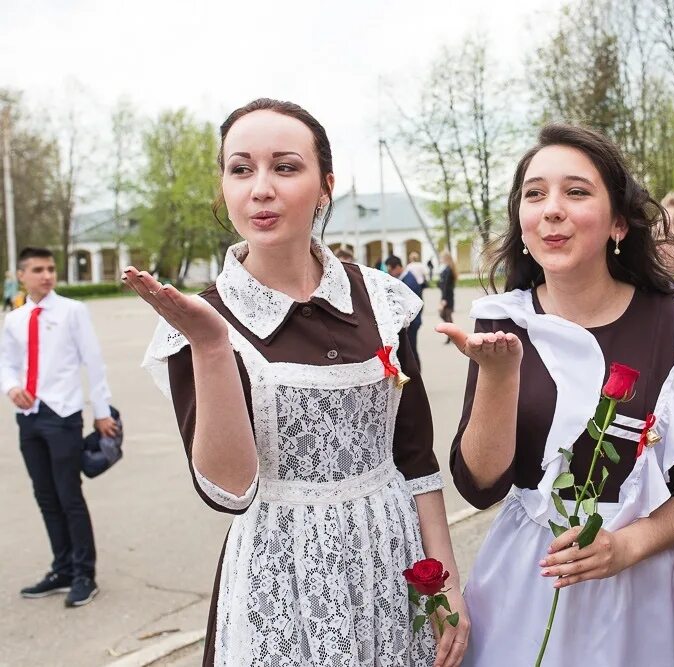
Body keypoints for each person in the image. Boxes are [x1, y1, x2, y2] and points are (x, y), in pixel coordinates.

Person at [127, 98, 468, 667]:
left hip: (391, 557)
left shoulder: (382, 301)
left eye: (285, 167)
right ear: (224, 188)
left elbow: (415, 457)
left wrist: (444, 583)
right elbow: (228, 490)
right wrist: (212, 347)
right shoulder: (197, 320)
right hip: (276, 576)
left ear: (325, 185)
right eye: (241, 169)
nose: (261, 188)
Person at [439, 124, 674, 665]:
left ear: (618, 223)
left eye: (576, 192)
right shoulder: (500, 319)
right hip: (529, 587)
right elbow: (479, 486)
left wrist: (628, 545)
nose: (551, 209)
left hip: (644, 589)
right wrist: (498, 376)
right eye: (534, 194)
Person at [1, 246, 117, 607]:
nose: (47, 275)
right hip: (29, 416)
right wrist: (10, 387)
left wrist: (101, 412)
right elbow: (7, 362)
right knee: (46, 496)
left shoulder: (73, 311)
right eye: (38, 269)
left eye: (50, 268)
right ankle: (62, 569)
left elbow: (93, 363)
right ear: (21, 276)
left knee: (69, 496)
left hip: (63, 414)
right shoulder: (15, 319)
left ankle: (85, 574)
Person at [387, 255, 425, 369]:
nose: (390, 273)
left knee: (411, 350)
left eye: (390, 270)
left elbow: (412, 305)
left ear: (398, 267)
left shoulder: (409, 281)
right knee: (411, 349)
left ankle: (416, 374)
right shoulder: (405, 278)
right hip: (411, 321)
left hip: (412, 322)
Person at [437, 251, 457, 344]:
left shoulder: (449, 269)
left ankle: (453, 335)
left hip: (447, 296)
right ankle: (452, 334)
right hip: (446, 295)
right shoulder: (447, 268)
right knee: (444, 315)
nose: (441, 259)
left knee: (446, 315)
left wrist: (444, 299)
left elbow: (445, 285)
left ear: (446, 258)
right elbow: (443, 283)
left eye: (442, 257)